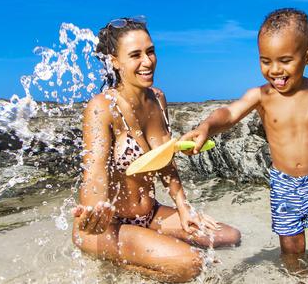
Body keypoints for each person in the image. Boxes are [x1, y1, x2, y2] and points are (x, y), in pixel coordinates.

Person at [180, 8, 308, 278]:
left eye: (285, 60)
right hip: (283, 184)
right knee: (290, 249)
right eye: (265, 61)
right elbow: (230, 113)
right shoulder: (261, 96)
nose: (275, 70)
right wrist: (206, 126)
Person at [72, 16, 241, 283]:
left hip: (149, 214)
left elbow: (165, 160)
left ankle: (152, 251)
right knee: (192, 264)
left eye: (150, 51)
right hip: (108, 227)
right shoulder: (101, 107)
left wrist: (183, 208)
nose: (147, 61)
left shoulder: (158, 98)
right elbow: (94, 172)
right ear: (114, 62)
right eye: (135, 55)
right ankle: (127, 267)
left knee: (229, 237)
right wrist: (95, 211)